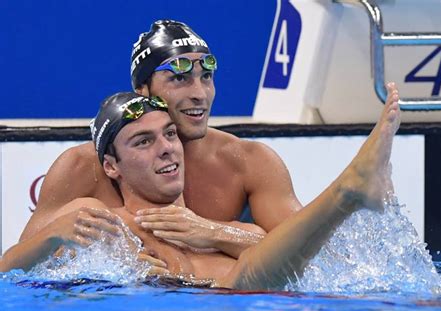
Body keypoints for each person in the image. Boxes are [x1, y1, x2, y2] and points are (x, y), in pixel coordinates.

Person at [1, 84, 401, 290]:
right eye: (143, 142)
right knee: (246, 277)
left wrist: (212, 232)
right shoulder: (103, 223)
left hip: (253, 301)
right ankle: (346, 192)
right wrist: (51, 236)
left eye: (170, 135)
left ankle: (349, 192)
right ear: (111, 166)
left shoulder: (235, 232)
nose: (167, 150)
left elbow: (324, 265)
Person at [19, 20, 302, 260]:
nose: (200, 93)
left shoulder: (248, 162)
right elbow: (19, 270)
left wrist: (212, 232)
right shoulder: (82, 167)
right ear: (142, 91)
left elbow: (315, 255)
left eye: (206, 77)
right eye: (180, 79)